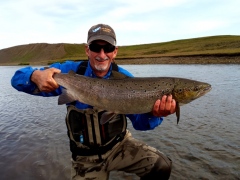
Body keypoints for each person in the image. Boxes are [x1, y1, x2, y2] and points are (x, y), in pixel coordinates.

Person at [11, 23, 176, 180]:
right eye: (96, 48)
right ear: (87, 50)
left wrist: (154, 114)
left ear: (115, 52)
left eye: (108, 48)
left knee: (161, 166)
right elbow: (17, 78)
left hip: (120, 147)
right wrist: (34, 76)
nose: (102, 54)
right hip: (85, 158)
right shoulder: (70, 72)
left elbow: (141, 124)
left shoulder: (126, 80)